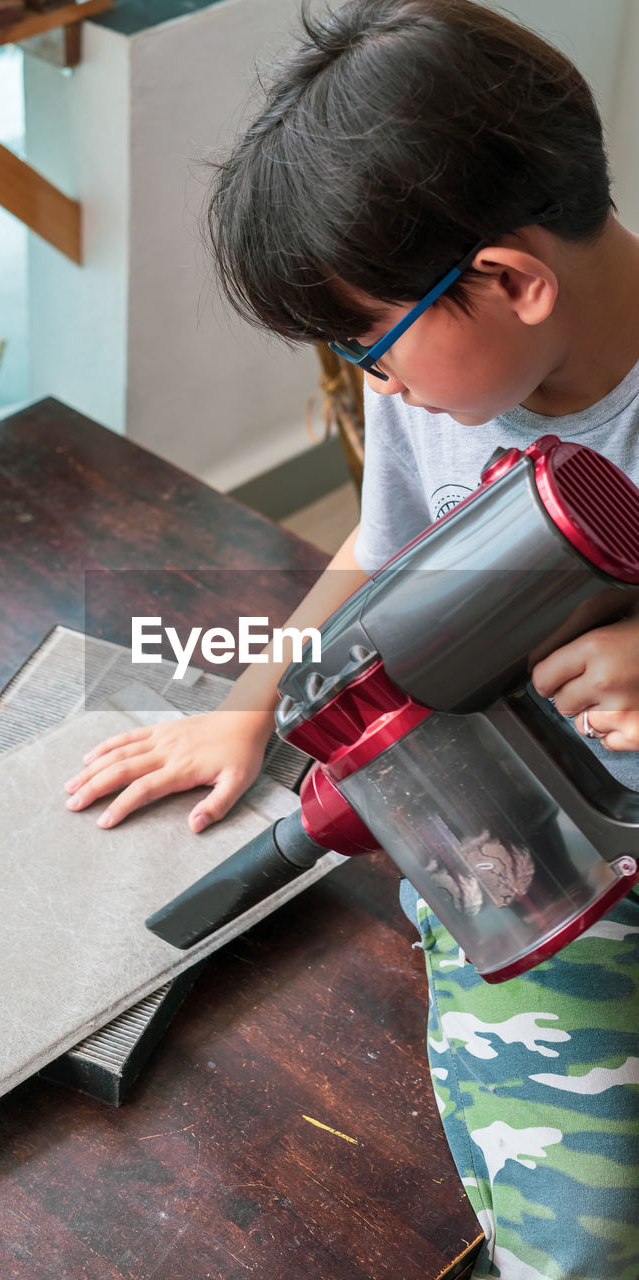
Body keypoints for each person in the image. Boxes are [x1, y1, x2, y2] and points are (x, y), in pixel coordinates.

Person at [65, 3, 639, 1276]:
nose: (375, 386)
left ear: (509, 279)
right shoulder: (459, 377)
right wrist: (248, 701)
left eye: (371, 345)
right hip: (538, 838)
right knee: (545, 1215)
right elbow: (379, 551)